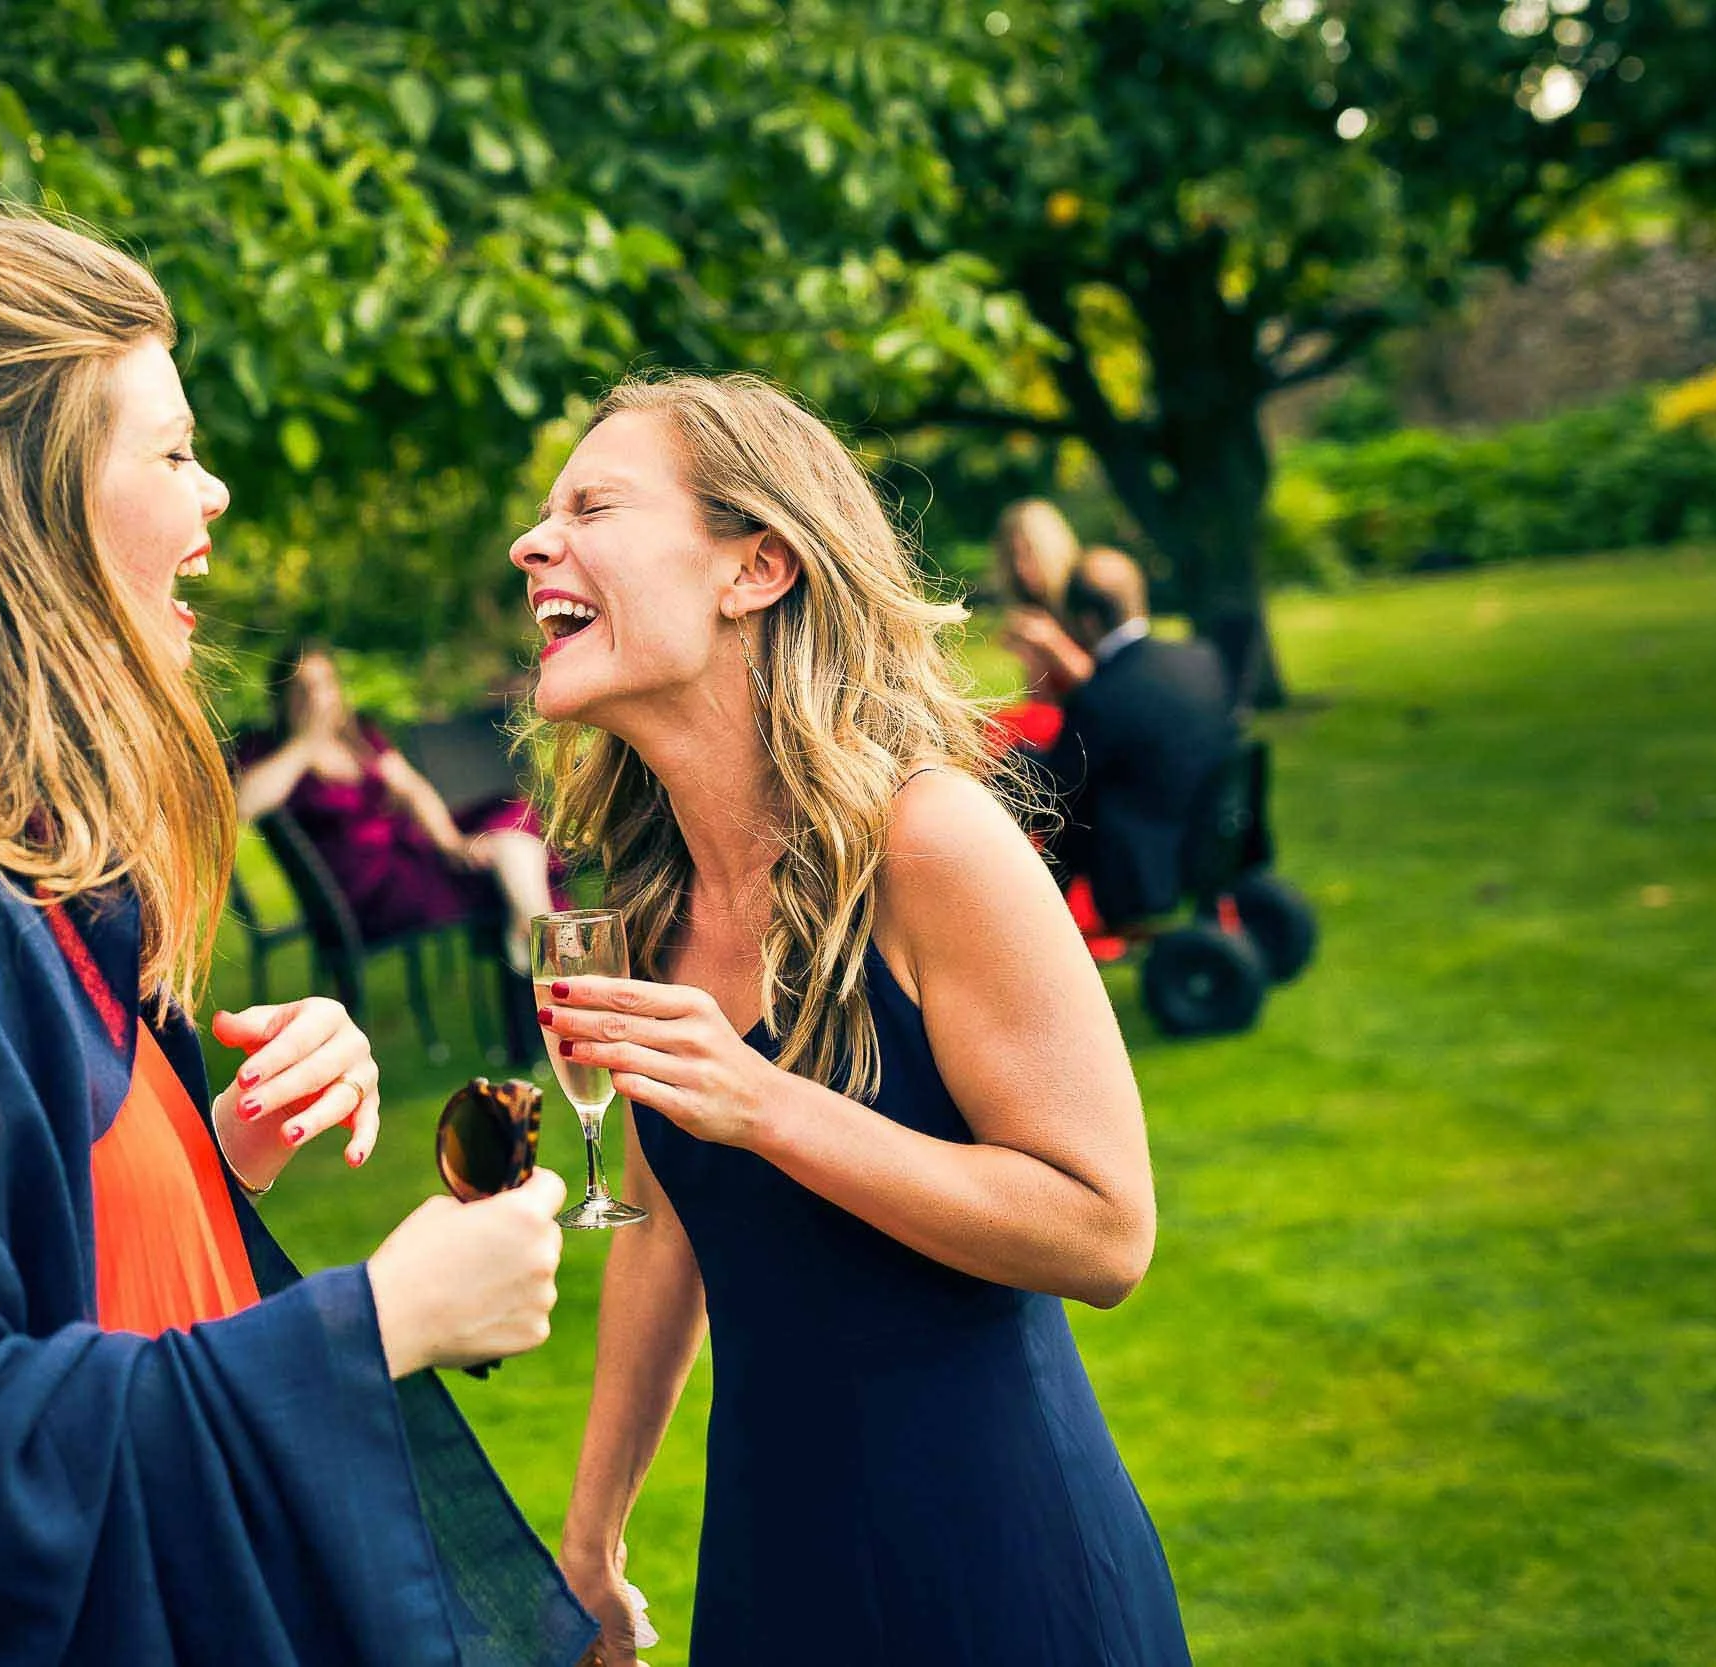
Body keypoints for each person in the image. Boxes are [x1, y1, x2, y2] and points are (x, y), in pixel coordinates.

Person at [0, 208, 594, 1667]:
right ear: (12, 501)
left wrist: (196, 1161)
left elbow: (47, 1283)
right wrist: (374, 1321)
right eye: (169, 450)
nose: (212, 491)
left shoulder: (5, 857)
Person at [516, 373, 1189, 1664]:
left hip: (1001, 1567)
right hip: (775, 1564)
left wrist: (767, 1103)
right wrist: (591, 1537)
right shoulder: (651, 898)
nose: (535, 542)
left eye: (593, 504)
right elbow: (666, 1229)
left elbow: (1107, 1228)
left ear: (756, 567)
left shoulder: (933, 842)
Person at [231, 641, 561, 974]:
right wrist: (305, 740)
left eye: (325, 683)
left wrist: (450, 843)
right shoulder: (267, 748)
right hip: (369, 891)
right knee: (507, 871)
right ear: (282, 698)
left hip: (409, 853)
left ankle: (533, 934)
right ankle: (545, 945)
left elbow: (413, 789)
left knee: (509, 816)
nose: (317, 697)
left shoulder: (358, 735)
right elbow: (244, 804)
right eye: (303, 689)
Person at [1023, 547, 1241, 925]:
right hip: (1210, 838)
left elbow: (1058, 785)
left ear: (1087, 622)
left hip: (1138, 868)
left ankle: (1034, 922)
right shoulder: (1201, 660)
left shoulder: (1102, 694)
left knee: (1066, 812)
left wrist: (1012, 760)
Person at [990, 496, 1087, 747]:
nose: (1021, 568)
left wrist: (1052, 643)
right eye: (1013, 557)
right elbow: (1042, 706)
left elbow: (1111, 687)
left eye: (1029, 554)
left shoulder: (1085, 598)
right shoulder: (1032, 609)